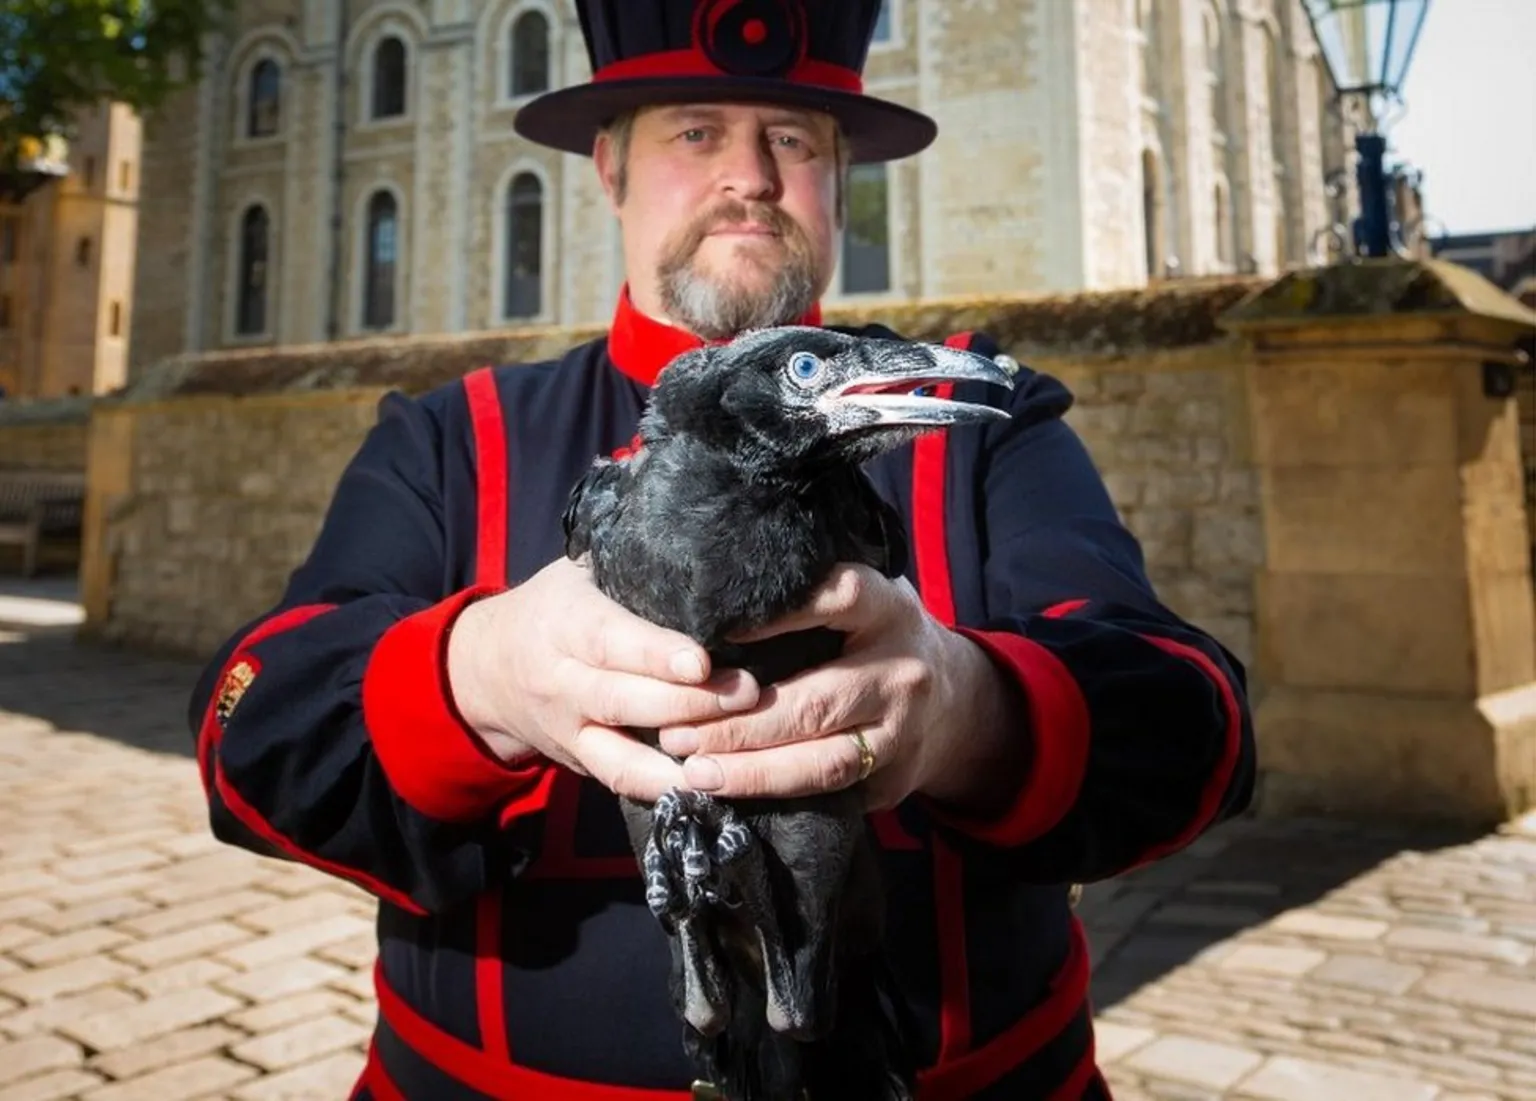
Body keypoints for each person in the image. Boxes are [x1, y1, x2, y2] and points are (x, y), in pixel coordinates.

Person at [188, 2, 1256, 1098]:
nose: (749, 175)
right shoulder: (451, 435)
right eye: (695, 131)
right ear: (610, 169)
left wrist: (972, 707)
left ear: (840, 178)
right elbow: (249, 735)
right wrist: (479, 678)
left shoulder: (988, 423)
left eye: (794, 139)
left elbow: (1198, 728)